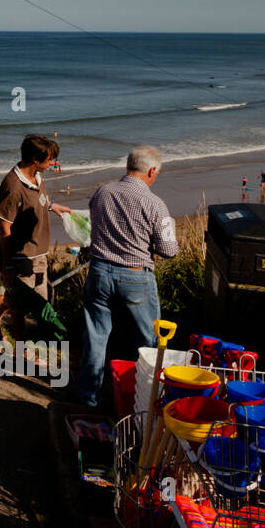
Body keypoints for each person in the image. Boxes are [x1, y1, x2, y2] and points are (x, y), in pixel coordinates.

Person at [75, 146, 179, 407]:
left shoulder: (103, 192)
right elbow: (169, 250)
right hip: (136, 277)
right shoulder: (155, 203)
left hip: (99, 271)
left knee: (96, 337)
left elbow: (93, 225)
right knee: (148, 342)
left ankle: (88, 397)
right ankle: (142, 399)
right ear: (151, 170)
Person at [0, 135, 72, 340]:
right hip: (22, 257)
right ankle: (22, 348)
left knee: (33, 301)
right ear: (34, 160)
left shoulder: (36, 177)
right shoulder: (13, 187)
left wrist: (53, 206)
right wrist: (8, 265)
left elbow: (39, 199)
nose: (52, 163)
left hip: (38, 252)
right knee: (23, 307)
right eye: (49, 159)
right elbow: (4, 227)